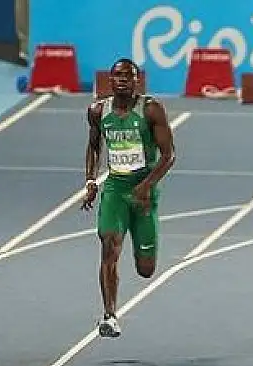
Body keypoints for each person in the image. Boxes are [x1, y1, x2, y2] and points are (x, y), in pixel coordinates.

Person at [81, 58, 176, 338]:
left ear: (137, 81)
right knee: (109, 245)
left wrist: (147, 185)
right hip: (116, 188)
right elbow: (94, 146)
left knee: (146, 269)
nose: (122, 80)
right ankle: (109, 315)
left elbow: (169, 155)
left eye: (128, 76)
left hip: (144, 191)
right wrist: (91, 180)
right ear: (110, 80)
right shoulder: (98, 111)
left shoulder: (151, 110)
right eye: (117, 75)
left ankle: (143, 244)